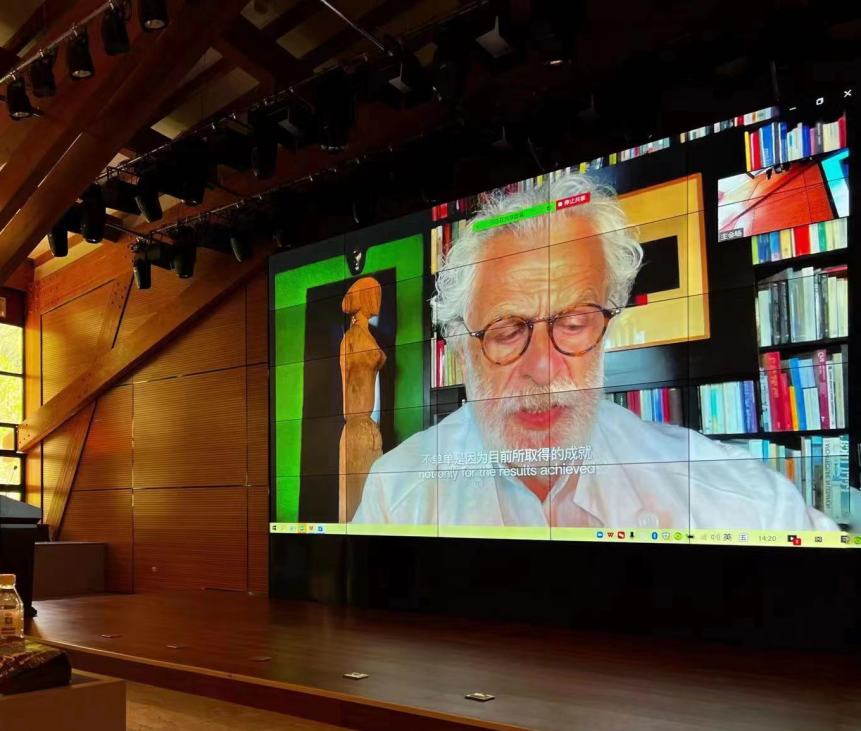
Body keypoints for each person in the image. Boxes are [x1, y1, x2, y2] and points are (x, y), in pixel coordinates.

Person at [352, 172, 839, 531]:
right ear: (461, 346)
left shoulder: (742, 501)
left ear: (607, 329)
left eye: (573, 323)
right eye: (508, 330)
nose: (543, 368)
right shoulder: (396, 492)